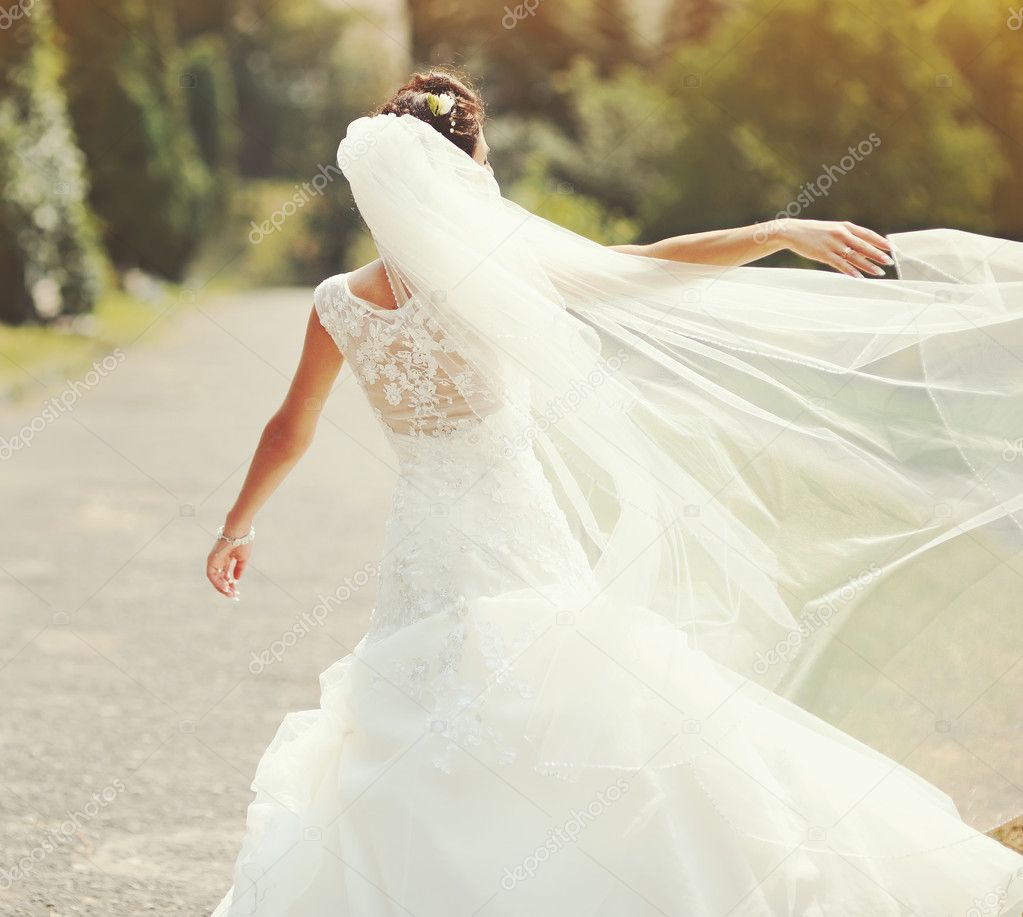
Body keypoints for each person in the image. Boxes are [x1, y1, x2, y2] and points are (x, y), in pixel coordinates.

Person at [210, 68, 1023, 916]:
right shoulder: (496, 268)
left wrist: (238, 525)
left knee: (422, 716)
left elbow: (286, 428)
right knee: (579, 701)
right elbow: (640, 266)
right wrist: (774, 229)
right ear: (464, 166)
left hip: (424, 543)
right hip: (513, 526)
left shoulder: (338, 302)